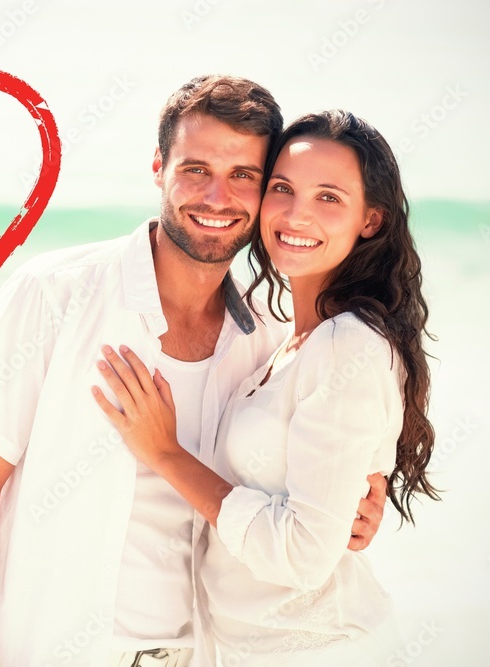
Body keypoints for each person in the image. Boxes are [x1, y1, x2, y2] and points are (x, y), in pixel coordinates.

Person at [0, 78, 387, 667]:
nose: (216, 197)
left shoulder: (271, 338)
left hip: (201, 654)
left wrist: (361, 499)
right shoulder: (55, 294)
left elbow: (303, 490)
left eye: (243, 176)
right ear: (159, 168)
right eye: (195, 169)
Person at [93, 110, 438, 665]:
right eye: (282, 188)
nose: (297, 214)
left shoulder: (347, 345)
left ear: (370, 220)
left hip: (322, 650)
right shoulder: (286, 342)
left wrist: (164, 453)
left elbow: (302, 558)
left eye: (329, 197)